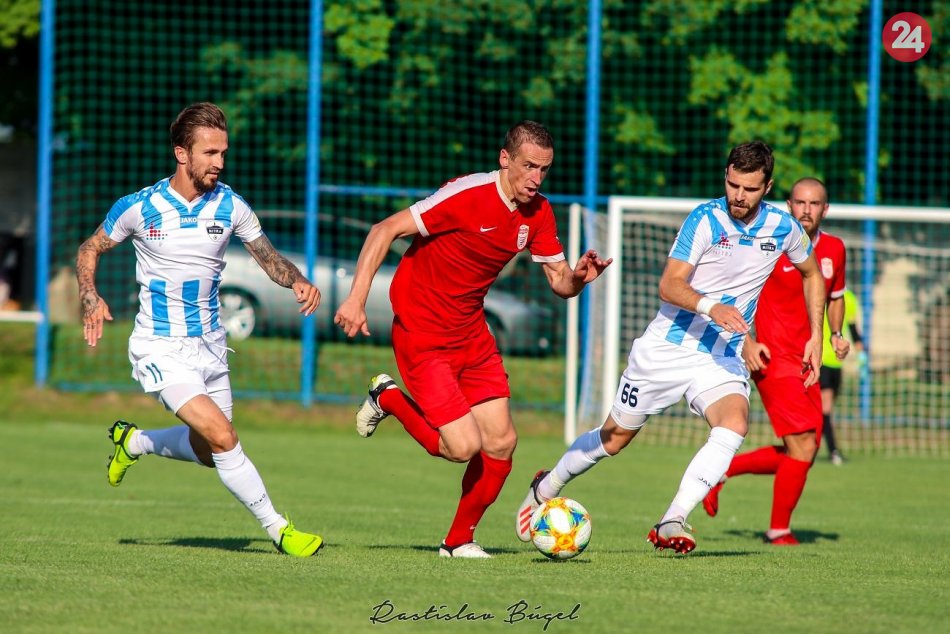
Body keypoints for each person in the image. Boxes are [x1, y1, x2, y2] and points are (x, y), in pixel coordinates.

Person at [516, 141, 826, 555]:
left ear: (767, 186)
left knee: (733, 424)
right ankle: (548, 484)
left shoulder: (783, 227)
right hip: (666, 348)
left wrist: (816, 336)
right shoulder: (705, 219)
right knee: (614, 438)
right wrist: (712, 307)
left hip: (719, 355)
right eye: (733, 184)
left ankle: (672, 519)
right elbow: (669, 284)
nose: (738, 196)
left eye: (749, 189)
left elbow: (812, 274)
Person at [334, 121, 612, 558]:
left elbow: (559, 281)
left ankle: (458, 540)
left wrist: (578, 278)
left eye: (544, 169)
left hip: (471, 332)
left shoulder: (538, 211)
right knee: (462, 447)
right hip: (422, 331)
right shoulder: (467, 195)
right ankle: (388, 398)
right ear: (505, 160)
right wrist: (355, 299)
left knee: (502, 443)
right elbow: (382, 230)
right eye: (528, 167)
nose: (536, 179)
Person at [75, 102, 324, 557]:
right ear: (181, 153)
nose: (220, 162)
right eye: (209, 152)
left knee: (211, 450)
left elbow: (269, 258)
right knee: (226, 438)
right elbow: (90, 248)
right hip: (159, 347)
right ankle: (281, 530)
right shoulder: (139, 207)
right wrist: (90, 295)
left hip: (211, 347)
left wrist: (298, 280)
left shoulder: (231, 205)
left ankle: (135, 441)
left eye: (223, 152)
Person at [702, 177, 851, 545]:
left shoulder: (834, 249)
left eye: (814, 204)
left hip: (807, 359)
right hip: (769, 356)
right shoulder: (771, 244)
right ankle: (778, 529)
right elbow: (735, 293)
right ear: (788, 205)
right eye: (799, 202)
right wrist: (747, 341)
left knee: (805, 448)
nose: (806, 210)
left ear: (825, 209)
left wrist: (834, 334)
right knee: (802, 445)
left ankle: (722, 471)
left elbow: (835, 296)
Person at [821, 287, 864, 465]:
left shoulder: (850, 299)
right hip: (819, 360)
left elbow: (853, 329)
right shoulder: (819, 293)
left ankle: (816, 446)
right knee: (825, 407)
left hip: (837, 362)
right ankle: (833, 451)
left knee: (827, 410)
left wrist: (862, 355)